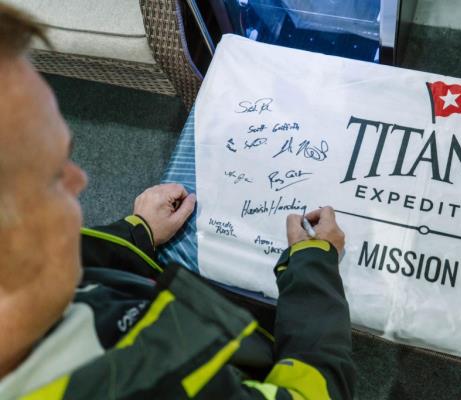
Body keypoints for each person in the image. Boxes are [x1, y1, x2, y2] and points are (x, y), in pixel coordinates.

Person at [0, 4, 355, 400]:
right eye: (51, 176)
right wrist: (315, 270)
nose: (79, 180)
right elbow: (315, 393)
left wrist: (137, 232)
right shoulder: (147, 383)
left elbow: (83, 252)